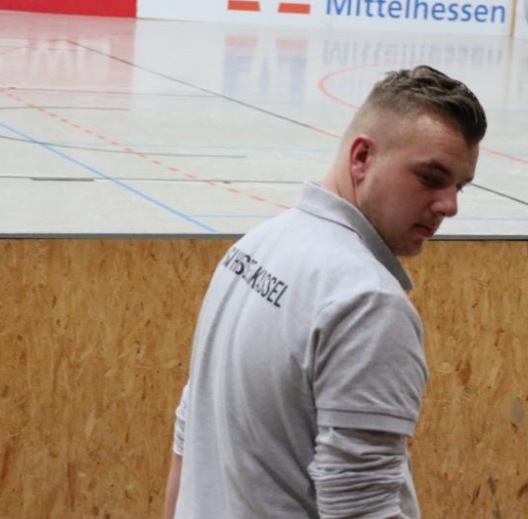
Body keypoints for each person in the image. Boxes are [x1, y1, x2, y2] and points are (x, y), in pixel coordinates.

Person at [164, 66, 487, 518]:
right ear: (361, 157)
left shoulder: (254, 246)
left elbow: (189, 438)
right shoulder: (366, 303)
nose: (449, 205)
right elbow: (360, 509)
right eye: (430, 178)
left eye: (459, 187)